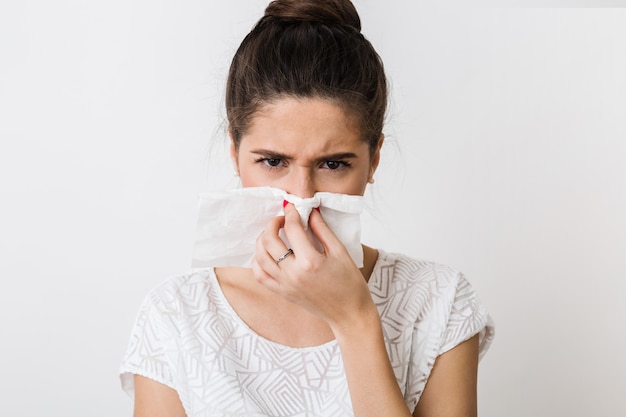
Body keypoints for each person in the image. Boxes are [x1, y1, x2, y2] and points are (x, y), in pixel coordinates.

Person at [120, 1, 494, 416]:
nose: (300, 197)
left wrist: (353, 319)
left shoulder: (438, 304)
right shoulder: (176, 316)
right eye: (273, 162)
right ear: (234, 153)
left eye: (333, 164)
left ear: (373, 161)